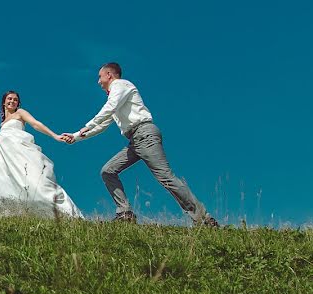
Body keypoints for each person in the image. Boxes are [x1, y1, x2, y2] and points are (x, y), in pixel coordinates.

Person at [62, 63, 218, 226]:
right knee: (108, 171)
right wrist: (76, 136)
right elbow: (103, 124)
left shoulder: (121, 85)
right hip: (135, 141)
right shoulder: (115, 95)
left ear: (109, 75)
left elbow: (109, 108)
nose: (98, 81)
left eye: (100, 77)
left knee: (166, 177)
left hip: (145, 135)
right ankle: (125, 213)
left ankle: (204, 219)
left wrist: (87, 125)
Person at [0, 91, 82, 218]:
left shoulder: (20, 113)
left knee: (35, 182)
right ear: (4, 102)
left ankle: (67, 213)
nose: (12, 101)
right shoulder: (2, 123)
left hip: (20, 153)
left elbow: (36, 124)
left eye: (15, 100)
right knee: (6, 182)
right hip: (5, 156)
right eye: (10, 99)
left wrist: (55, 136)